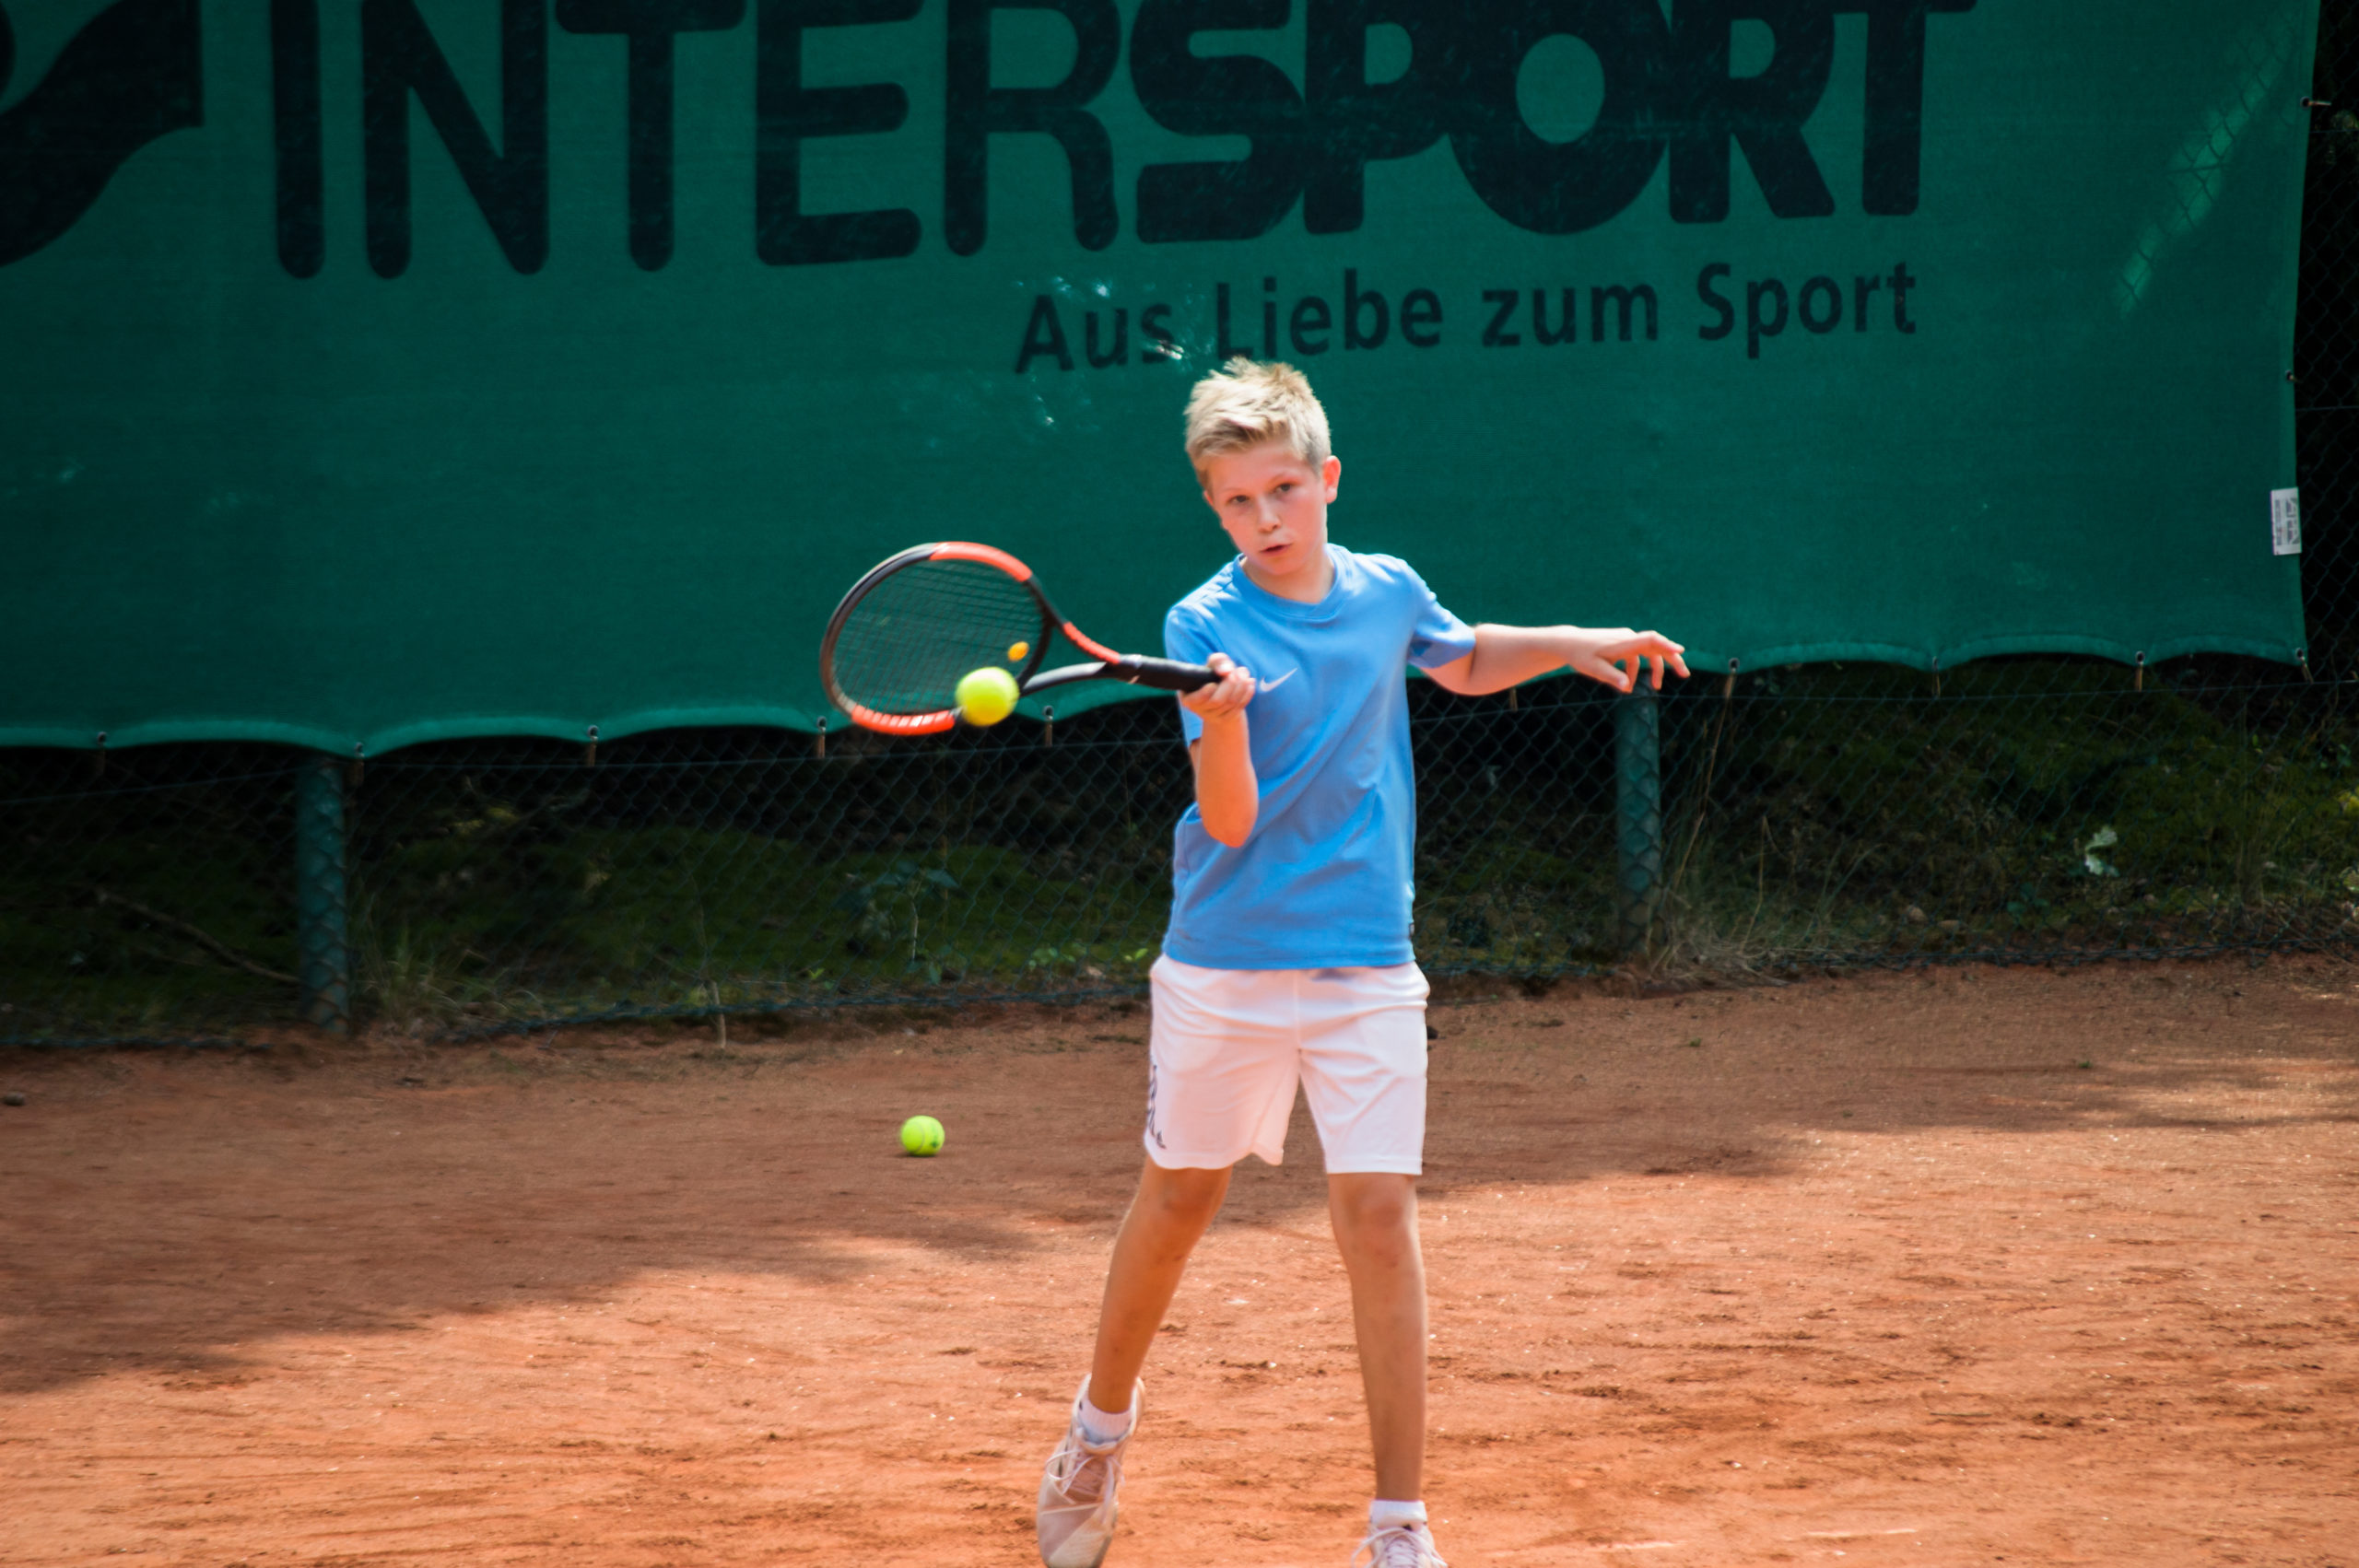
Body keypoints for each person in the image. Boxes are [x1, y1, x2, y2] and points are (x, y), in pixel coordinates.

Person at [1035, 359, 1688, 1568]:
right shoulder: (1200, 625)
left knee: (1380, 1217)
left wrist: (1574, 642)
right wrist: (1222, 722)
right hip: (1224, 966)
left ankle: (1398, 1526)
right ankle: (1096, 1432)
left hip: (1369, 967)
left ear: (1328, 478)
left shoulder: (1387, 591)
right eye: (1238, 502)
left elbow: (1462, 655)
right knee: (1179, 1201)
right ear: (1214, 508)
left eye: (1284, 489)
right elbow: (1230, 821)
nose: (1266, 518)